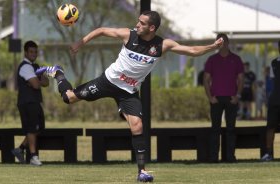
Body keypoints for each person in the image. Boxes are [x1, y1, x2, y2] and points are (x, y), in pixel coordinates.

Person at [36, 11, 223, 182]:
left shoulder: (161, 45)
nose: (137, 25)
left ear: (152, 28)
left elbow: (191, 51)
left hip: (128, 93)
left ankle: (142, 172)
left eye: (142, 23)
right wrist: (80, 42)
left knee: (137, 126)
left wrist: (213, 46)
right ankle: (58, 73)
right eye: (138, 21)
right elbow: (101, 30)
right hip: (107, 82)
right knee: (69, 98)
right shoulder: (128, 35)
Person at [203, 33, 244, 163]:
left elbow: (241, 79)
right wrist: (210, 97)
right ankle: (214, 158)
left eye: (223, 42)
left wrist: (237, 96)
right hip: (216, 99)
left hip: (231, 98)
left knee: (231, 129)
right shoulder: (211, 59)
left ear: (227, 43)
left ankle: (230, 157)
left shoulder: (236, 59)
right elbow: (206, 79)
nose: (221, 44)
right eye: (218, 42)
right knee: (215, 129)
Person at [11, 41, 49, 166]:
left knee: (38, 129)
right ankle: (33, 156)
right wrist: (37, 80)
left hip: (36, 102)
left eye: (35, 52)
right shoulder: (25, 67)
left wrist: (36, 80)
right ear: (26, 52)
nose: (34, 54)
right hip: (27, 102)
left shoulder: (36, 66)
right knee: (32, 129)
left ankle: (20, 149)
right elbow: (37, 85)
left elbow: (46, 82)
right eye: (31, 52)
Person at [261, 40, 280, 161]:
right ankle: (268, 154)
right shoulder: (274, 62)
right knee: (270, 127)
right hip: (275, 100)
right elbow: (272, 83)